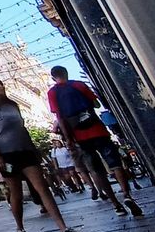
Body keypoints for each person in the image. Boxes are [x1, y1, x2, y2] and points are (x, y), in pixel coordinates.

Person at [0, 78, 87, 232]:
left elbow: (22, 128)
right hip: (6, 155)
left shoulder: (12, 105)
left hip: (25, 150)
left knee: (42, 187)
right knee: (16, 193)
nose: (1, 86)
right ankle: (20, 229)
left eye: (1, 83)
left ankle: (64, 229)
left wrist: (35, 151)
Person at [47, 66, 143, 217]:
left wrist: (69, 139)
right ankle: (126, 195)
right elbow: (96, 104)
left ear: (53, 78)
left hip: (80, 137)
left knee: (96, 170)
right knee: (115, 164)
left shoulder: (52, 93)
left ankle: (115, 204)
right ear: (66, 73)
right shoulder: (78, 85)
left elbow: (60, 117)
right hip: (98, 130)